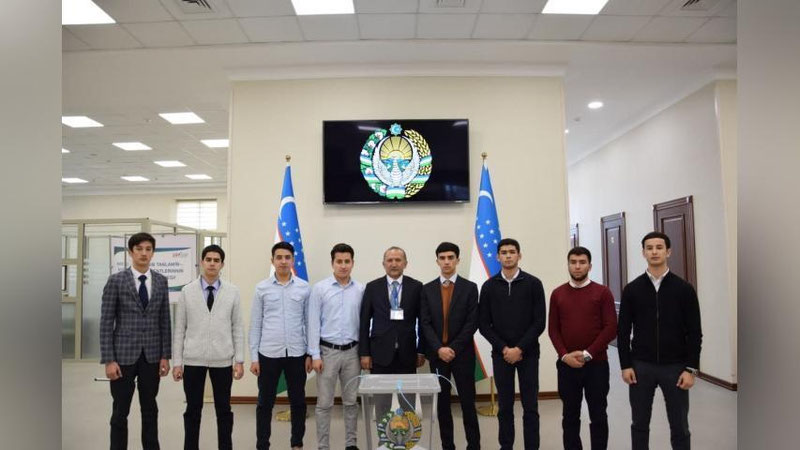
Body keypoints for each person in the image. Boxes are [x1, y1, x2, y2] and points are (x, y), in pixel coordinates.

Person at [618, 231, 702, 450]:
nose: (654, 252)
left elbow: (695, 332)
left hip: (675, 367)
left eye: (659, 247)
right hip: (641, 366)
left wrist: (691, 369)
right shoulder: (632, 289)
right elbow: (623, 331)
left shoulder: (684, 289)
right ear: (643, 253)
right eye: (649, 248)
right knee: (639, 424)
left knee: (680, 426)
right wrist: (626, 365)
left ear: (668, 251)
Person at [99, 232, 171, 450]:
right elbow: (106, 322)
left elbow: (165, 320)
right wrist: (109, 360)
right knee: (120, 411)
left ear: (153, 253)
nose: (144, 253)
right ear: (131, 252)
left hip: (152, 356)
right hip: (122, 357)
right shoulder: (116, 281)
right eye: (139, 249)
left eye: (148, 249)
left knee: (150, 409)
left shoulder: (161, 281)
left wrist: (165, 356)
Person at [172, 244, 244, 450]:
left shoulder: (232, 292)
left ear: (222, 264)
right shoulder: (187, 291)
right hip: (193, 360)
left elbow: (238, 327)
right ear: (202, 262)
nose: (212, 264)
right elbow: (179, 329)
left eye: (216, 260)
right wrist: (177, 362)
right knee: (193, 410)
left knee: (224, 410)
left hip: (222, 360)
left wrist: (239, 360)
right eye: (208, 260)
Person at [478, 238, 546, 450]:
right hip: (501, 355)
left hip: (528, 354)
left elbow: (539, 322)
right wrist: (505, 349)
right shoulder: (489, 286)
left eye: (512, 252)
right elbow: (484, 324)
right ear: (498, 257)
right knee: (505, 406)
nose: (508, 256)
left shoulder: (534, 284)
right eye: (504, 252)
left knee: (530, 406)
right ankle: (506, 446)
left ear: (519, 255)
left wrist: (520, 348)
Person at [548, 246, 617, 450]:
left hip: (596, 365)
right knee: (570, 415)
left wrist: (588, 354)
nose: (577, 266)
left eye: (582, 262)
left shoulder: (603, 292)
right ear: (568, 265)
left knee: (598, 415)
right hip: (567, 366)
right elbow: (553, 329)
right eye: (573, 262)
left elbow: (611, 327)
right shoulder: (558, 294)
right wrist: (564, 355)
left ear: (590, 266)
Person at [249, 242, 312, 450]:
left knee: (298, 402)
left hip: (297, 353)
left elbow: (309, 323)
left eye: (287, 257)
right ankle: (262, 445)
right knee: (264, 403)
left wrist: (310, 353)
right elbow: (255, 324)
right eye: (279, 257)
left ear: (293, 260)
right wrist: (254, 357)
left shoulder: (304, 287)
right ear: (272, 260)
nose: (283, 261)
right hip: (268, 353)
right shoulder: (262, 288)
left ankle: (297, 443)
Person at [420, 242, 480, 450]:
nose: (446, 262)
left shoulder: (470, 288)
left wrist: (453, 348)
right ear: (437, 261)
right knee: (442, 405)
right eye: (442, 258)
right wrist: (439, 349)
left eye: (450, 257)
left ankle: (474, 445)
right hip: (438, 356)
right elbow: (425, 323)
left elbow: (472, 322)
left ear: (457, 260)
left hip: (462, 354)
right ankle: (448, 446)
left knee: (468, 404)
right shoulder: (427, 289)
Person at [307, 243, 364, 450]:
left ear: (353, 263)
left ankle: (351, 444)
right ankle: (323, 446)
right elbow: (313, 323)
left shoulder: (361, 290)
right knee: (324, 404)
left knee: (351, 402)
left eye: (347, 261)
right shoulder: (320, 289)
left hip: (353, 353)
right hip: (327, 353)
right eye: (339, 261)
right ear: (332, 263)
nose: (343, 265)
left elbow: (365, 323)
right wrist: (314, 354)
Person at [359, 246, 426, 417]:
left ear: (405, 263)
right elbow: (364, 322)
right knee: (382, 404)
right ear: (383, 264)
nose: (394, 264)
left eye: (398, 260)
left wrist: (421, 350)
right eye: (390, 260)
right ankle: (383, 435)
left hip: (407, 354)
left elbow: (423, 322)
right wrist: (364, 353)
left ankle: (407, 434)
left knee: (407, 404)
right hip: (380, 355)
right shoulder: (372, 287)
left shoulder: (416, 287)